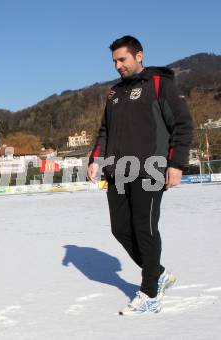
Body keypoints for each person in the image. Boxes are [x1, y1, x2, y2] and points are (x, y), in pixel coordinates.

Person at [87, 36, 193, 315]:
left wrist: (176, 163)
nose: (118, 65)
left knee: (145, 230)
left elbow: (182, 125)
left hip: (150, 169)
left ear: (139, 56)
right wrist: (95, 159)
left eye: (122, 59)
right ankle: (157, 273)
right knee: (120, 229)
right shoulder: (114, 93)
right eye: (114, 61)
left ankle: (150, 293)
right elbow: (104, 131)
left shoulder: (160, 85)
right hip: (117, 172)